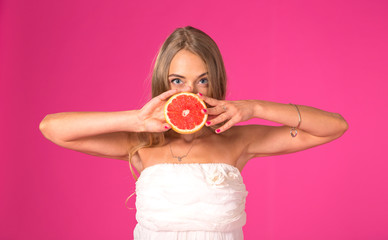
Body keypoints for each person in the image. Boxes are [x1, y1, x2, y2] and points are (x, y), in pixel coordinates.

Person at [39, 26, 348, 240]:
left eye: (202, 80)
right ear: (163, 83)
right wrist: (135, 119)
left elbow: (334, 126)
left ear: (216, 82)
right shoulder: (139, 142)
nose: (190, 92)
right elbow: (52, 128)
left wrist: (254, 108)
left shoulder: (237, 140)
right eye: (177, 81)